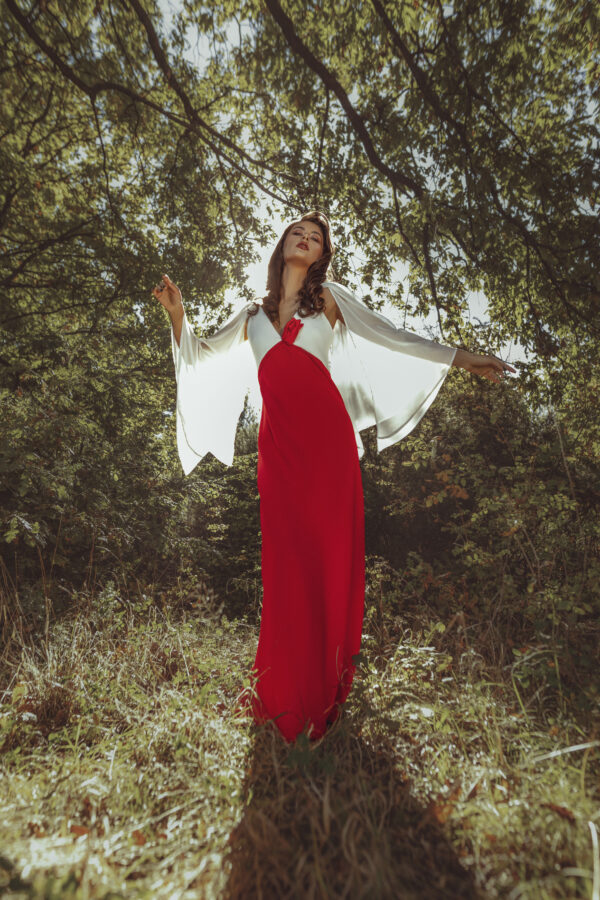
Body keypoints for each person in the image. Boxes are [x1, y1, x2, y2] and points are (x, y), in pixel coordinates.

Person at [153, 210, 515, 743]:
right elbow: (201, 355)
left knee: (324, 559)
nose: (306, 238)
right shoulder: (252, 313)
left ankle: (323, 691)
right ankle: (280, 693)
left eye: (316, 237)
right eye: (299, 231)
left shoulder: (327, 302)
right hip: (277, 452)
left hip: (327, 445)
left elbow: (395, 337)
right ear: (282, 244)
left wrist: (465, 360)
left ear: (322, 254)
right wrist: (177, 316)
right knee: (284, 565)